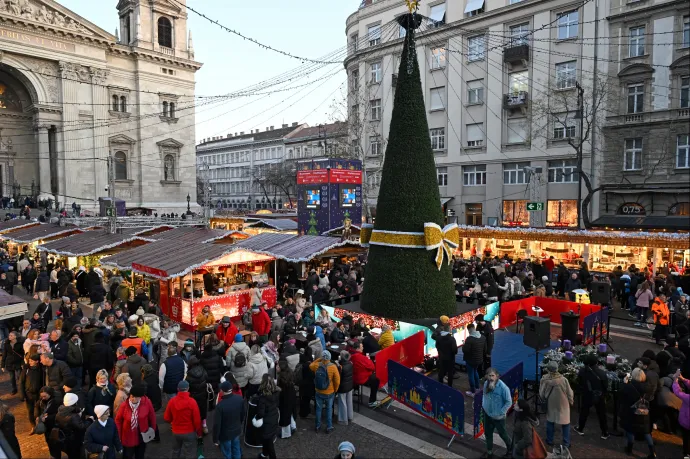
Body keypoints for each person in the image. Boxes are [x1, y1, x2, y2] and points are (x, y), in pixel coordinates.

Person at [620, 368, 655, 458]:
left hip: (632, 412)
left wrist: (624, 383)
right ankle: (652, 453)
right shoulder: (649, 387)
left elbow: (622, 394)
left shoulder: (630, 386)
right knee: (646, 432)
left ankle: (629, 449)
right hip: (645, 412)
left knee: (631, 430)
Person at [115, 384, 156, 459]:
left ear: (140, 397)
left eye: (135, 397)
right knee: (127, 455)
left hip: (142, 434)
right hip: (127, 435)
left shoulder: (147, 402)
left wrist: (152, 429)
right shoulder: (124, 405)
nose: (132, 399)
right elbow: (118, 420)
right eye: (131, 396)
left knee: (140, 455)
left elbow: (152, 416)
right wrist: (118, 435)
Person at [164, 380, 202, 459]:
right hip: (189, 431)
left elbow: (166, 418)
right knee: (189, 453)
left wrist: (173, 421)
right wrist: (198, 432)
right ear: (188, 388)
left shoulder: (172, 401)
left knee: (176, 451)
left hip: (176, 431)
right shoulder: (192, 402)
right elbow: (197, 420)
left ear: (178, 389)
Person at [539, 360, 574, 447]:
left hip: (551, 404)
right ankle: (566, 443)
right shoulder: (563, 380)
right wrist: (571, 401)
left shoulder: (544, 379)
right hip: (563, 405)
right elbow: (569, 392)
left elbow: (541, 393)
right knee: (565, 424)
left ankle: (550, 440)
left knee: (550, 422)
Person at [574, 355, 608, 440]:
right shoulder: (602, 373)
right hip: (599, 396)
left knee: (584, 412)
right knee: (601, 414)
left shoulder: (582, 371)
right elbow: (606, 386)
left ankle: (580, 428)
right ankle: (605, 432)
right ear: (596, 363)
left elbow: (580, 383)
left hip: (587, 395)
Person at [481, 368, 512, 459]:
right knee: (488, 434)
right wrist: (484, 405)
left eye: (492, 375)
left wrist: (500, 412)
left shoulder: (503, 388)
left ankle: (510, 450)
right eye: (489, 375)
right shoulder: (486, 384)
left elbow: (508, 402)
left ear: (497, 376)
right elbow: (484, 395)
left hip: (498, 417)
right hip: (487, 414)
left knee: (503, 434)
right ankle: (489, 452)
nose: (491, 378)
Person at [213, 380, 246, 459]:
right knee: (236, 450)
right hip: (236, 430)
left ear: (222, 391)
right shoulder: (239, 399)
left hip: (225, 435)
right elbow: (243, 414)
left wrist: (215, 439)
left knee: (227, 453)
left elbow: (217, 424)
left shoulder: (220, 406)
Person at [310, 349, 340, 433]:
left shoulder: (316, 365)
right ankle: (329, 426)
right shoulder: (333, 367)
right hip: (329, 392)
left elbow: (310, 365)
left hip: (318, 391)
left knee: (318, 409)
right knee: (329, 409)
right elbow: (337, 380)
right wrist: (335, 389)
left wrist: (319, 359)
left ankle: (317, 426)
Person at [254, 373, 280, 459]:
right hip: (274, 418)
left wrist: (256, 417)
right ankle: (264, 453)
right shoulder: (276, 392)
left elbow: (261, 413)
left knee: (268, 442)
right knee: (267, 439)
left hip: (266, 422)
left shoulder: (263, 398)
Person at [55, 392, 87, 459]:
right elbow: (81, 427)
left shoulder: (59, 412)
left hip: (65, 440)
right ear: (74, 403)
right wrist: (89, 420)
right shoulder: (74, 416)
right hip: (74, 441)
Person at [350, 340, 379, 407]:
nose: (363, 348)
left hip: (353, 377)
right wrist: (368, 359)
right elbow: (372, 367)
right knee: (376, 380)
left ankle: (355, 390)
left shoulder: (351, 355)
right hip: (361, 379)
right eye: (362, 347)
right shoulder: (361, 357)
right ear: (358, 348)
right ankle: (372, 401)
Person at [185, 356, 210, 435]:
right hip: (203, 394)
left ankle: (196, 428)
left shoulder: (189, 374)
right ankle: (204, 426)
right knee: (203, 410)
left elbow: (187, 386)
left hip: (193, 396)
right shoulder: (203, 370)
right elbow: (207, 379)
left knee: (195, 412)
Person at [19, 354, 43, 429]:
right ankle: (33, 425)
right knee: (30, 410)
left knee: (38, 409)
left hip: (38, 393)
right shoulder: (26, 369)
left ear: (37, 361)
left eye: (31, 361)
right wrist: (22, 395)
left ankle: (39, 424)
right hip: (28, 393)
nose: (30, 362)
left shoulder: (41, 370)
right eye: (29, 361)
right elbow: (21, 382)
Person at [462, 324, 486, 396]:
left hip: (470, 360)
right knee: (475, 372)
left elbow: (465, 350)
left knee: (471, 375)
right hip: (479, 360)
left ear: (469, 330)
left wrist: (464, 344)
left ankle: (473, 392)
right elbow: (485, 349)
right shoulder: (483, 337)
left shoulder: (469, 339)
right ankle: (477, 388)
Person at [672, 372, 690, 459]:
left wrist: (675, 381)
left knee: (686, 437)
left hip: (687, 421)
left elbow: (677, 392)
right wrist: (683, 379)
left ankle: (686, 453)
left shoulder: (688, 398)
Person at [277, 360, 297, 437]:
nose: (277, 367)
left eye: (278, 366)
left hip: (285, 399)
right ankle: (293, 426)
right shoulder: (290, 373)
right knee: (290, 412)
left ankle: (286, 434)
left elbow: (280, 389)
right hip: (291, 396)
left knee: (284, 415)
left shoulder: (281, 377)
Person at [435, 323, 458, 388]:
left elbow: (437, 346)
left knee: (441, 371)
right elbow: (455, 350)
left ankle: (440, 385)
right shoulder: (452, 339)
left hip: (442, 358)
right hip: (450, 359)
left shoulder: (439, 338)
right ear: (449, 330)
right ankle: (449, 387)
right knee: (450, 373)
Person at [1, 330, 24, 395]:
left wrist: (22, 363)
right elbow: (4, 354)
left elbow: (22, 354)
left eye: (11, 335)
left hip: (18, 362)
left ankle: (21, 390)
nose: (9, 336)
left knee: (19, 377)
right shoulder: (6, 344)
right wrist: (2, 365)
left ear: (15, 336)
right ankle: (14, 389)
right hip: (9, 363)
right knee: (12, 378)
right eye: (9, 335)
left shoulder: (20, 343)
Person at [337, 350, 354, 425]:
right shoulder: (350, 364)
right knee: (349, 402)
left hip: (342, 387)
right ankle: (350, 416)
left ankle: (343, 419)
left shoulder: (340, 367)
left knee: (342, 402)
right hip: (349, 385)